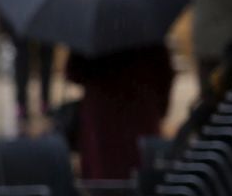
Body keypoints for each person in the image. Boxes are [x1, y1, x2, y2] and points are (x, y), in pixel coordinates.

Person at [66, 42, 176, 182]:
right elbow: (164, 73)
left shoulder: (95, 34)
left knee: (103, 181)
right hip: (141, 114)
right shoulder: (146, 36)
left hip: (101, 119)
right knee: (141, 179)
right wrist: (160, 108)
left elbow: (74, 72)